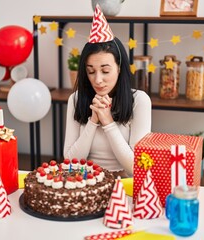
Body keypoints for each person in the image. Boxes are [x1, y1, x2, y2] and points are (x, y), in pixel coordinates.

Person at [63, 5, 152, 178]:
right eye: (90, 71)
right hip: (86, 183)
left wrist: (108, 122)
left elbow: (136, 168)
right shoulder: (75, 99)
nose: (97, 79)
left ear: (119, 68)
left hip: (123, 185)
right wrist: (93, 121)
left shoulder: (140, 101)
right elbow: (70, 164)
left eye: (105, 71)